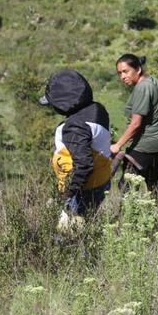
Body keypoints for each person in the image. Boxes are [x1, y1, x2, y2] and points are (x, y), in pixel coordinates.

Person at [40, 69, 112, 218]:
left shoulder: (75, 127)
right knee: (86, 223)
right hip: (100, 180)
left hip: (83, 190)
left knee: (68, 234)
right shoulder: (97, 109)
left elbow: (84, 164)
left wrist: (69, 194)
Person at [111, 54, 158, 192]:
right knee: (154, 187)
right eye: (119, 73)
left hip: (144, 145)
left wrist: (118, 145)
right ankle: (155, 213)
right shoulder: (153, 81)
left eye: (126, 71)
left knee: (127, 188)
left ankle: (129, 213)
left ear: (137, 69)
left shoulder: (142, 88)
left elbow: (136, 123)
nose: (122, 77)